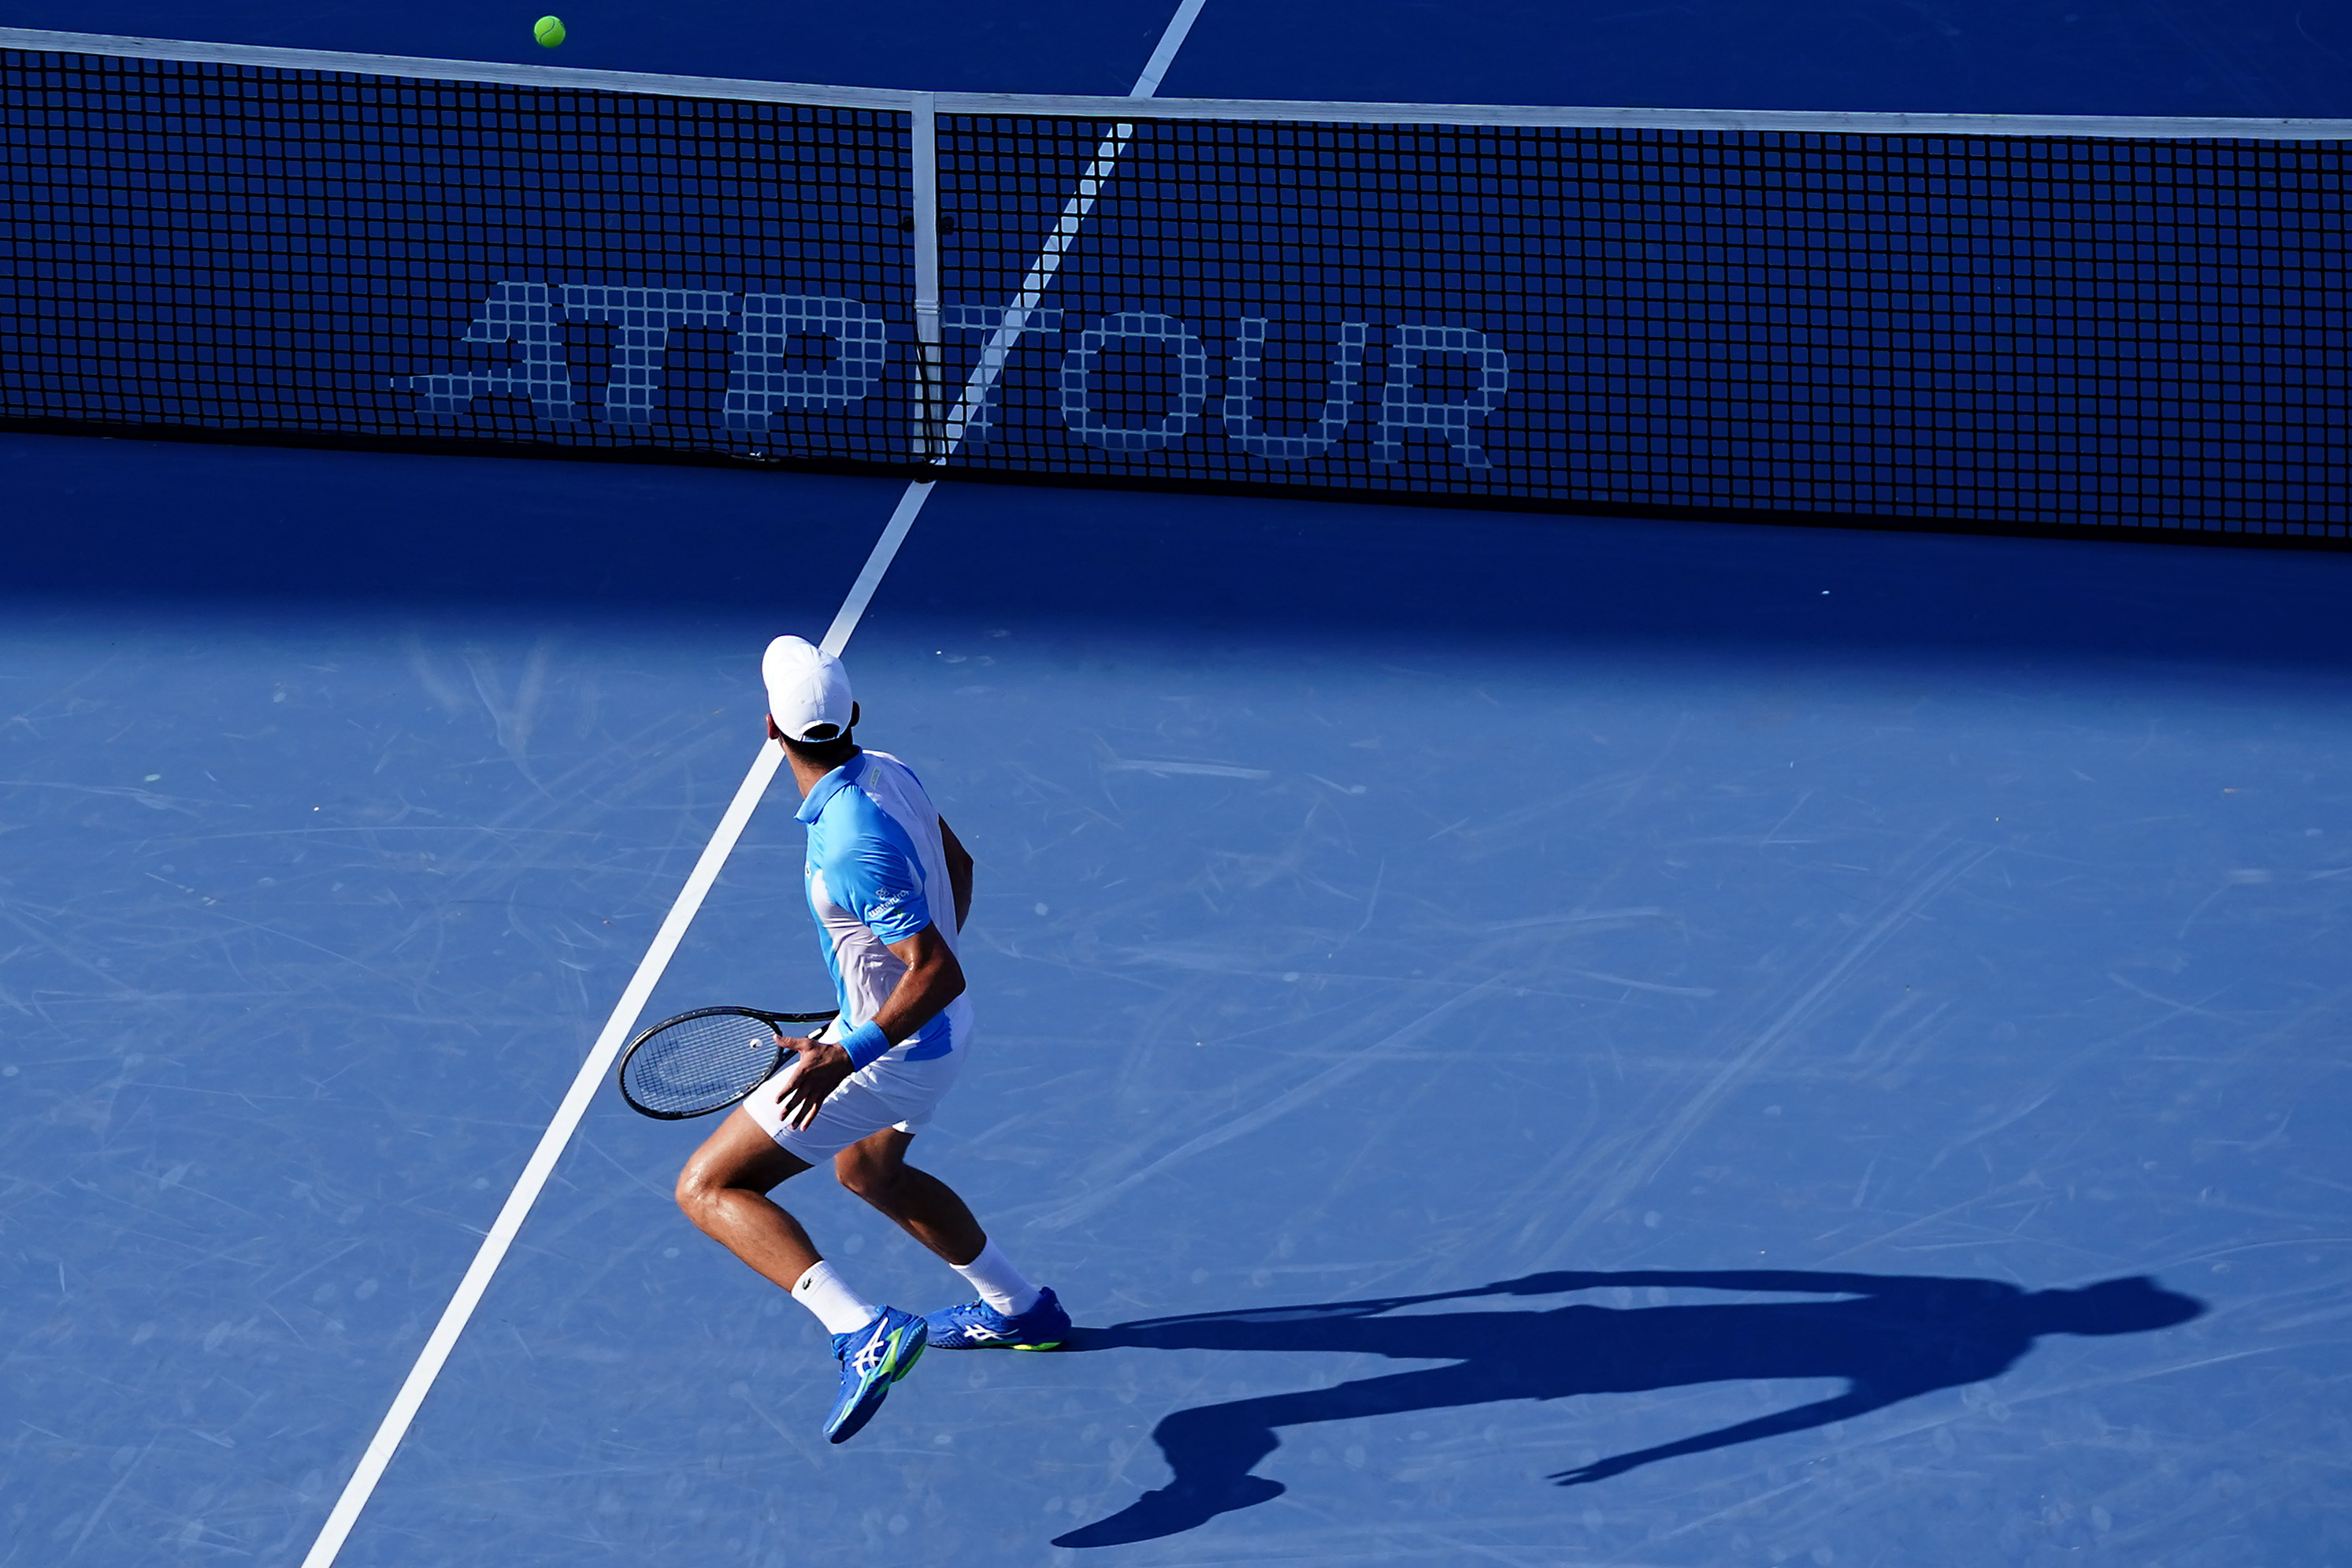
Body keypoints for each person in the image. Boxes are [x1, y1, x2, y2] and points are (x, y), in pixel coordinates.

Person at [673, 635, 1070, 1444]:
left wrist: (849, 1049)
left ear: (769, 731)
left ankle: (860, 1329)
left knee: (710, 1186)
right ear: (851, 716)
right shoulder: (889, 769)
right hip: (933, 1032)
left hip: (899, 1050)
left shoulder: (849, 842)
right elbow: (956, 863)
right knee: (868, 1169)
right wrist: (875, 997)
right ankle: (1024, 1308)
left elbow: (936, 968)